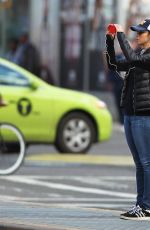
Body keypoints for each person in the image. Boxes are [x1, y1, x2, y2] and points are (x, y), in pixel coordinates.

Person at [106, 19, 150, 220]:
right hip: (131, 114)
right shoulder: (139, 55)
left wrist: (121, 35)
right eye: (136, 32)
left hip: (144, 115)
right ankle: (140, 204)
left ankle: (147, 206)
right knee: (139, 163)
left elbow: (130, 57)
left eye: (141, 32)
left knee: (146, 162)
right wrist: (110, 40)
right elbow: (113, 64)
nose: (138, 35)